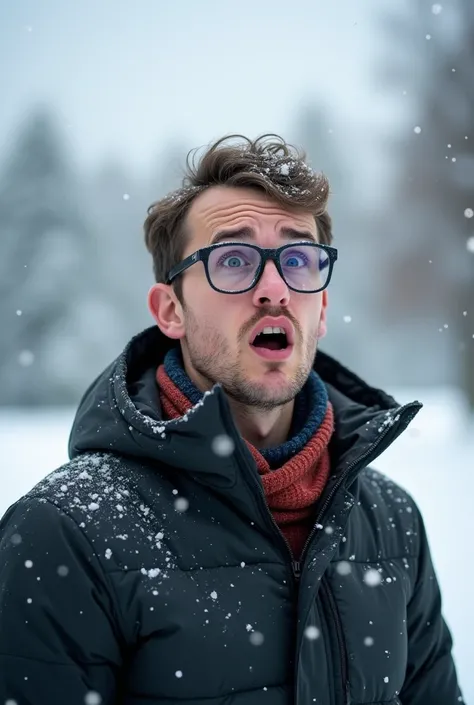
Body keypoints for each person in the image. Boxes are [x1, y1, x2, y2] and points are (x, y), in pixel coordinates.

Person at [0, 134, 464, 705]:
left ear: (321, 309)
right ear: (171, 310)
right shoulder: (67, 533)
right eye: (234, 261)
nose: (274, 290)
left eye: (298, 260)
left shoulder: (391, 522)